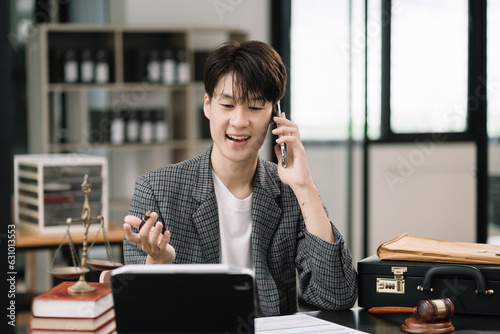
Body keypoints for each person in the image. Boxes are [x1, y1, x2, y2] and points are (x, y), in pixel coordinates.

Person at [122, 40, 358, 316]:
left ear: (275, 117)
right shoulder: (156, 189)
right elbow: (137, 310)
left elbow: (337, 296)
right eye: (228, 104)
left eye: (256, 108)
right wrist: (158, 263)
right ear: (208, 105)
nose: (239, 121)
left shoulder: (290, 191)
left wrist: (305, 187)